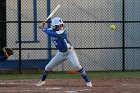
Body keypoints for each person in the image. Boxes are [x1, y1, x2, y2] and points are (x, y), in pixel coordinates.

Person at [36, 17, 92, 87]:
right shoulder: (51, 31)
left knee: (77, 65)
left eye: (61, 25)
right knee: (47, 67)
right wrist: (42, 26)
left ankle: (88, 81)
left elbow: (51, 33)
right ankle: (42, 81)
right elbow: (48, 31)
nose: (60, 27)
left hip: (69, 52)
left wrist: (43, 29)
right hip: (60, 53)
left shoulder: (62, 32)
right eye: (58, 26)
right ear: (54, 26)